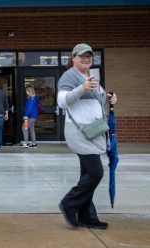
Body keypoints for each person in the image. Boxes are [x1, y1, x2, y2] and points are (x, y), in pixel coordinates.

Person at [57, 43, 117, 229]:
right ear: (73, 58)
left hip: (92, 132)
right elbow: (62, 101)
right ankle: (69, 204)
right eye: (82, 56)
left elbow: (94, 101)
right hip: (79, 133)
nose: (86, 59)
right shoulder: (70, 76)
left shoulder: (91, 76)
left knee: (87, 174)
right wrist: (82, 88)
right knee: (95, 172)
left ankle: (87, 216)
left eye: (89, 56)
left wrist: (109, 98)